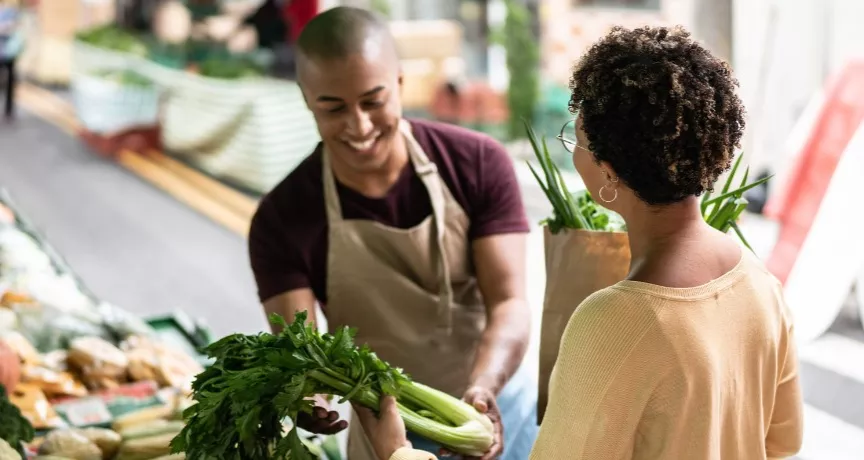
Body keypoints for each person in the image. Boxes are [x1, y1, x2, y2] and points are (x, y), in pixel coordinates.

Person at [356, 25, 805, 460]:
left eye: (577, 138)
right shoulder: (759, 282)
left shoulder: (613, 322)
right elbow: (782, 442)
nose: (572, 149)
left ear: (609, 175)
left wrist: (397, 452)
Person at [247, 6, 539, 460]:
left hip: (494, 410)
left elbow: (509, 302)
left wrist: (483, 389)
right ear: (306, 98)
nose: (359, 125)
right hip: (386, 434)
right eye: (333, 107)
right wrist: (312, 402)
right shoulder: (281, 218)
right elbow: (301, 352)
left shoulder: (478, 163)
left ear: (400, 83)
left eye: (373, 101)